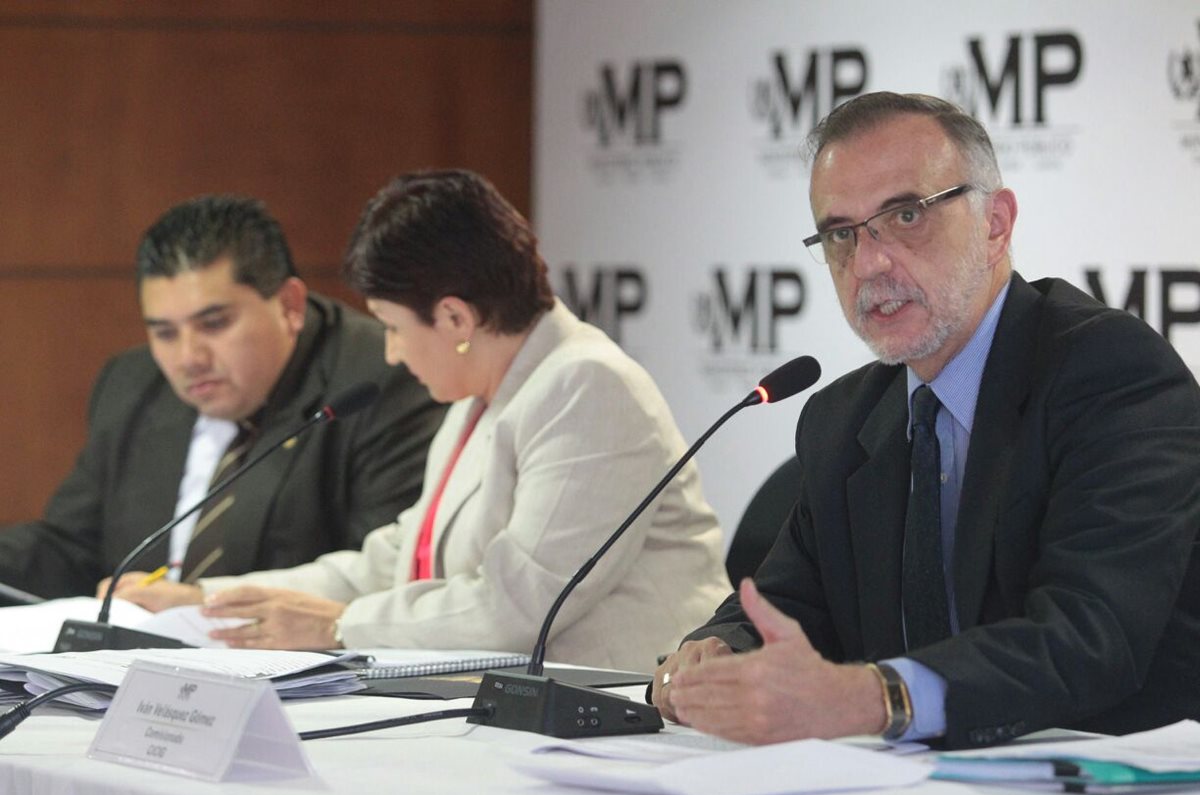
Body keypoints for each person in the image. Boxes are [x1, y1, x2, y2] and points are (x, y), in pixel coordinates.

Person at [652, 92, 1200, 749]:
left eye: (906, 214)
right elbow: (788, 602)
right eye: (840, 234)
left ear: (996, 224)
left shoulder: (1108, 373)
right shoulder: (842, 418)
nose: (869, 264)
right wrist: (716, 650)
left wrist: (875, 697)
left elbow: (1088, 637)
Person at [122, 170, 732, 672]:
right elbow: (395, 558)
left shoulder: (587, 387)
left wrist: (336, 626)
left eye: (392, 327)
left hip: (617, 718)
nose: (389, 352)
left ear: (456, 320)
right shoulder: (481, 395)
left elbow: (517, 607)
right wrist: (216, 600)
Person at [0, 196, 444, 601]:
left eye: (214, 324)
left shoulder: (377, 385)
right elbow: (69, 548)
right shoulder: (131, 382)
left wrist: (200, 605)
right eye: (164, 332)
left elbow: (386, 579)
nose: (188, 358)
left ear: (289, 305)